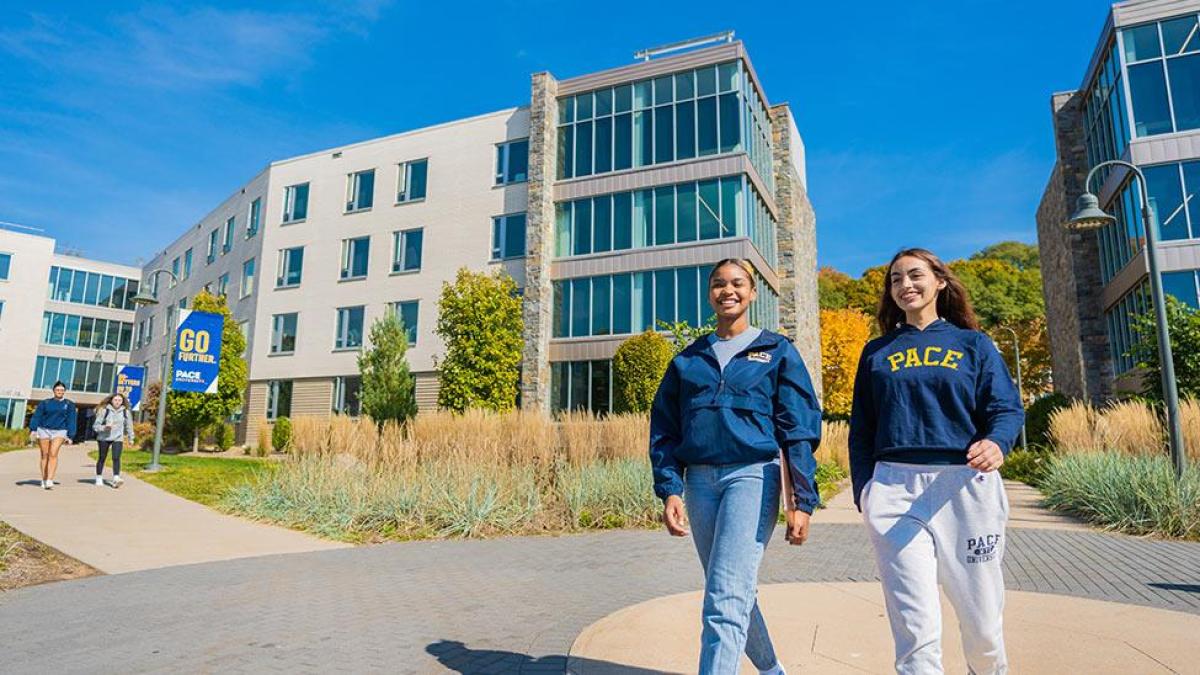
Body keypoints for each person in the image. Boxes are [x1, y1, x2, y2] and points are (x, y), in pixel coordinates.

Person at [849, 248, 1024, 675]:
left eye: (914, 275)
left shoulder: (973, 344)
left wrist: (998, 443)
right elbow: (862, 429)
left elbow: (1007, 409)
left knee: (982, 626)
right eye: (895, 279)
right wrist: (865, 492)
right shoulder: (877, 352)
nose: (904, 285)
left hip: (964, 485)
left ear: (940, 282)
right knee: (915, 629)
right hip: (894, 490)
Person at [650, 258, 822, 675]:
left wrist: (801, 497)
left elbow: (797, 426)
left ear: (753, 291)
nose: (728, 290)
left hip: (753, 475)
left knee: (725, 597)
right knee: (728, 591)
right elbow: (664, 429)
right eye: (719, 284)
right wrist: (670, 488)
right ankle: (772, 670)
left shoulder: (777, 350)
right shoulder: (688, 359)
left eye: (738, 283)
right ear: (710, 293)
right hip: (700, 483)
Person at [28, 381, 77, 490]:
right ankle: (44, 479)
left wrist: (70, 435)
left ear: (64, 391)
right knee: (44, 454)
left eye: (62, 390)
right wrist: (33, 430)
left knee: (53, 453)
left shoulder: (69, 404)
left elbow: (71, 420)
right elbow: (37, 416)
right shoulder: (45, 403)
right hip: (44, 429)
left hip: (60, 431)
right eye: (58, 390)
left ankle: (50, 479)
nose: (60, 392)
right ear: (54, 391)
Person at [93, 392, 135, 488]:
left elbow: (129, 426)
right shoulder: (104, 410)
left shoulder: (125, 412)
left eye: (119, 400)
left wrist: (131, 438)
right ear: (111, 401)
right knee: (102, 457)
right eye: (115, 400)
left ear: (122, 402)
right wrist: (104, 428)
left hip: (118, 437)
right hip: (104, 437)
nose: (117, 402)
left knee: (116, 457)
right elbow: (95, 426)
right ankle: (99, 477)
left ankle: (116, 478)